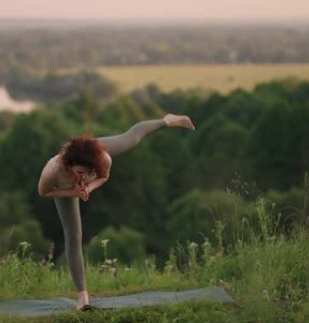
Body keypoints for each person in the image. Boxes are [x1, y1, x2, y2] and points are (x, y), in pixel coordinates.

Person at [37, 113, 195, 310]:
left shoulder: (103, 159)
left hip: (87, 157)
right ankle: (82, 295)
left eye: (89, 173)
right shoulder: (53, 170)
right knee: (73, 234)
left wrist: (88, 188)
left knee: (132, 138)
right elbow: (43, 192)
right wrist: (72, 192)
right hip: (63, 187)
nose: (85, 177)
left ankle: (167, 120)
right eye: (80, 173)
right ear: (70, 167)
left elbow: (103, 176)